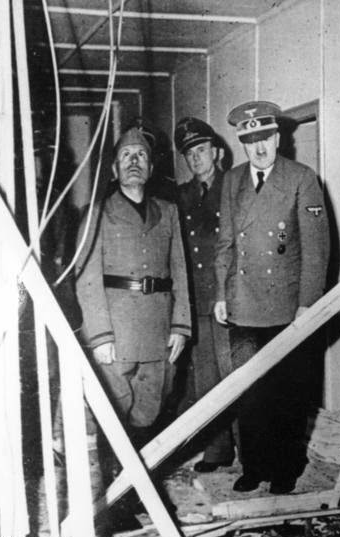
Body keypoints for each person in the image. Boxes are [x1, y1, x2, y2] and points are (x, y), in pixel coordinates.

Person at [214, 100, 330, 494]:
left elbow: (316, 249)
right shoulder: (232, 181)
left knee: (286, 392)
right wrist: (221, 292)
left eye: (265, 138)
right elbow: (225, 243)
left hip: (285, 306)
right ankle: (254, 465)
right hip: (244, 303)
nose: (259, 148)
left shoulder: (301, 178)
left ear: (277, 138)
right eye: (251, 141)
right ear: (243, 144)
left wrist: (307, 304)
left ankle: (286, 466)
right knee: (249, 390)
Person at [75, 126, 191, 446]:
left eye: (141, 155)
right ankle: (116, 474)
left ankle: (142, 471)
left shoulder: (168, 212)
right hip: (116, 330)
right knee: (114, 410)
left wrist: (181, 326)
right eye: (126, 156)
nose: (134, 161)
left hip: (158, 327)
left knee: (152, 407)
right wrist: (100, 335)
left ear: (151, 168)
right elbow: (86, 280)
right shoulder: (97, 214)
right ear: (115, 169)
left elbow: (180, 271)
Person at [173, 117, 235, 472]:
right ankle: (217, 449)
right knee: (206, 380)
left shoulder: (235, 186)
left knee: (235, 375)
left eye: (201, 149)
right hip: (197, 301)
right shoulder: (182, 196)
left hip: (229, 300)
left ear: (217, 152)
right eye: (189, 153)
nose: (195, 158)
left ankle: (250, 451)